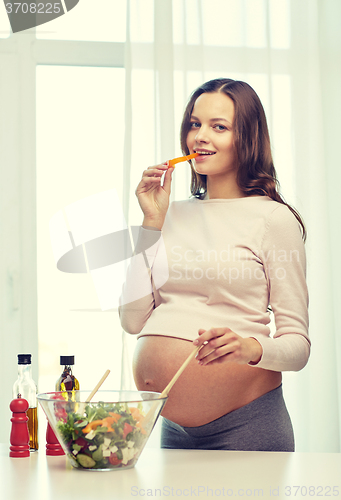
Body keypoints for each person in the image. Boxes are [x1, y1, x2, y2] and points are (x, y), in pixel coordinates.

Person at [119, 78, 310, 452]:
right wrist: (151, 224)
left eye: (218, 127)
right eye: (194, 124)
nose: (200, 137)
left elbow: (298, 345)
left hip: (247, 426)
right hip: (172, 429)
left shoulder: (273, 220)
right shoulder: (168, 214)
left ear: (247, 138)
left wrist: (248, 348)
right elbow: (131, 321)